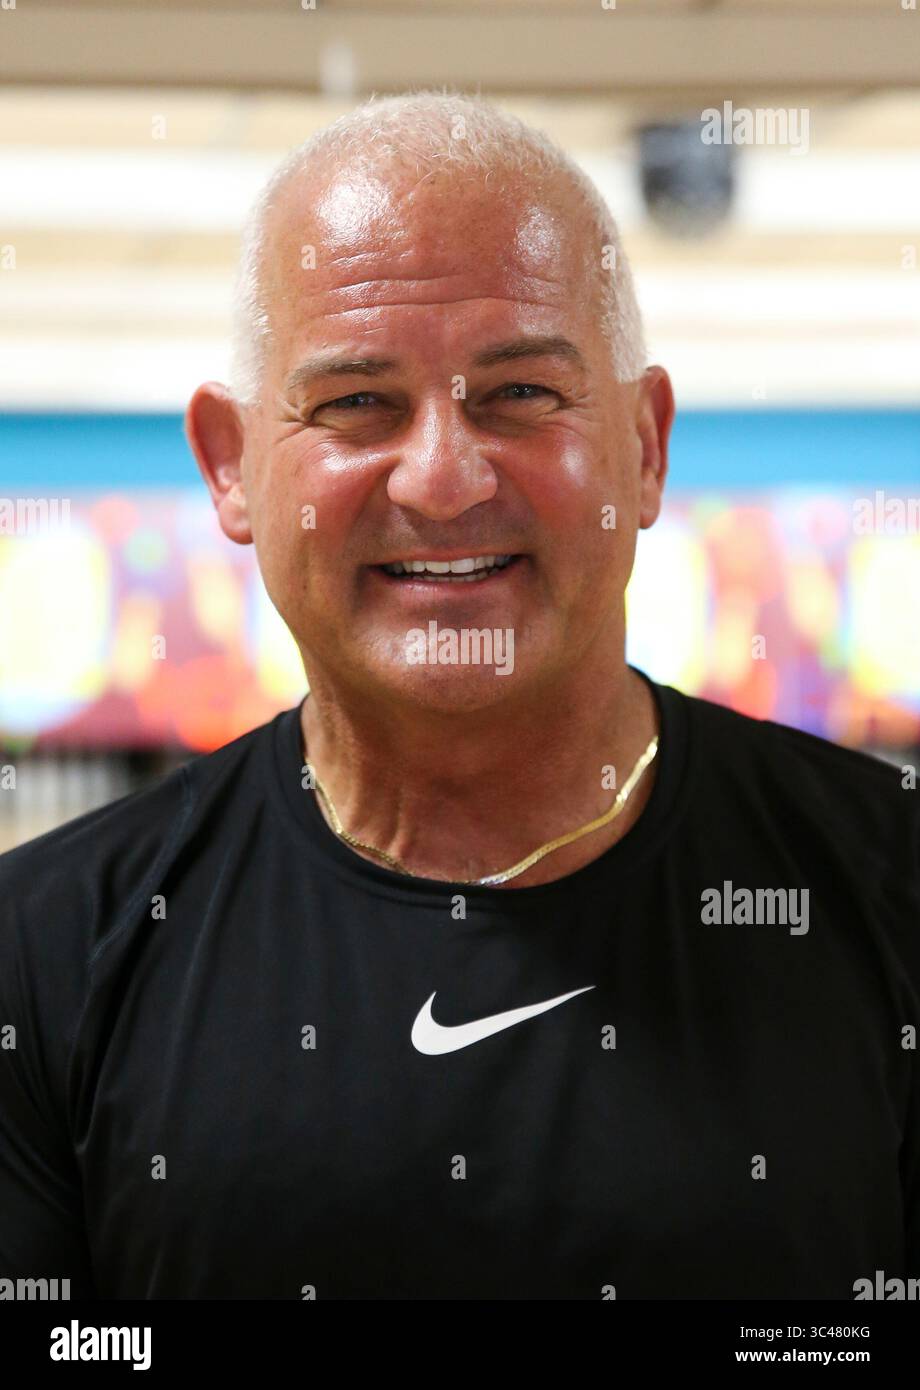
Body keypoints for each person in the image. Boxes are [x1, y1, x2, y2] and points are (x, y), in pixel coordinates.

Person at [1, 92, 917, 1301]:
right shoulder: (40, 952)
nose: (441, 480)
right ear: (230, 467)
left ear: (643, 447)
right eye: (356, 404)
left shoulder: (889, 886)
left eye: (521, 393)